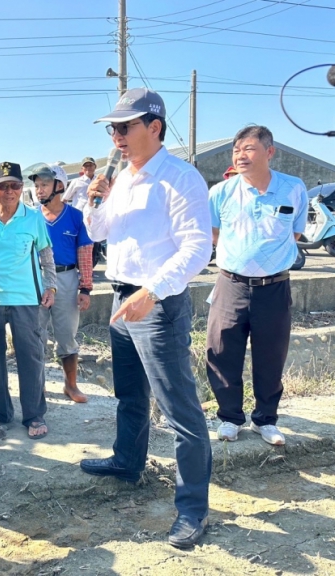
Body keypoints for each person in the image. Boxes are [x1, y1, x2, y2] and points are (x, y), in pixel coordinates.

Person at [80, 88, 213, 549]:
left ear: (154, 127)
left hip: (157, 304)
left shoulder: (181, 178)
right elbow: (99, 233)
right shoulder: (123, 177)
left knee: (179, 411)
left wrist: (151, 292)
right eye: (112, 128)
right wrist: (94, 200)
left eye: (124, 127)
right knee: (129, 395)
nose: (115, 135)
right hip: (121, 295)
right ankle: (127, 462)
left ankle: (193, 509)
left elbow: (198, 247)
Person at [207, 125, 306, 447]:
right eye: (236, 150)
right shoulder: (220, 192)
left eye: (248, 149)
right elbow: (213, 235)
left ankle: (266, 419)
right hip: (230, 284)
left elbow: (294, 234)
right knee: (222, 352)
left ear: (269, 151)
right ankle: (230, 417)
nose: (240, 155)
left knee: (271, 355)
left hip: (274, 287)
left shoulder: (294, 188)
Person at [0, 162, 56, 440]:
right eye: (3, 186)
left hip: (25, 298)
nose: (9, 191)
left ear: (22, 188)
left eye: (15, 186)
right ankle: (0, 410)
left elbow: (45, 254)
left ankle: (33, 415)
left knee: (30, 357)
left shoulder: (33, 218)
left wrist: (51, 286)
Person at [30, 164, 93, 403]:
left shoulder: (76, 217)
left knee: (67, 334)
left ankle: (71, 385)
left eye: (44, 184)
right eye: (36, 185)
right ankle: (38, 385)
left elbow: (85, 252)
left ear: (59, 186)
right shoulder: (31, 216)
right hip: (37, 279)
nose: (39, 190)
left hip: (66, 278)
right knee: (35, 332)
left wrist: (85, 288)